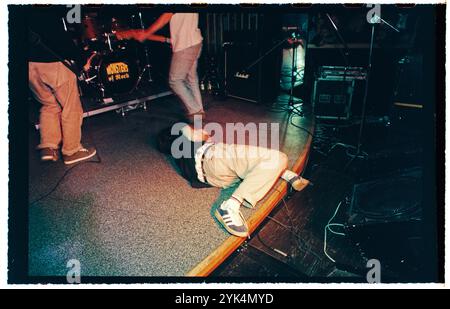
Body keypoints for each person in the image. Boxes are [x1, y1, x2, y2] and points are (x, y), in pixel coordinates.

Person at [157, 123, 310, 238]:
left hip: (213, 174)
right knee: (277, 157)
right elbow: (190, 132)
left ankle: (278, 171)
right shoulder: (183, 133)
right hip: (213, 157)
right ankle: (229, 206)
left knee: (252, 160)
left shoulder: (180, 150)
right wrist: (194, 131)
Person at [28, 7, 96, 164]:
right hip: (52, 61)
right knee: (71, 106)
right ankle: (72, 151)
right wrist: (80, 59)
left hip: (29, 64)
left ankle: (48, 146)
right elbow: (59, 36)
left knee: (49, 104)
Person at [116, 13, 205, 123]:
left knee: (175, 81)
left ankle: (196, 112)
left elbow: (167, 15)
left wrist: (146, 33)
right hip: (195, 41)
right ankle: (199, 110)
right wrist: (138, 33)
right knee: (191, 78)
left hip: (185, 46)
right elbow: (176, 27)